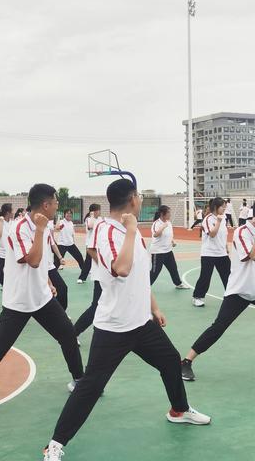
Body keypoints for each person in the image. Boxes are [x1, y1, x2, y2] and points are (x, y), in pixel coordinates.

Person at [41, 179, 211, 461]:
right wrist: (132, 231)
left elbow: (140, 277)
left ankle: (178, 410)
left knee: (170, 360)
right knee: (91, 386)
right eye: (140, 195)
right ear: (132, 199)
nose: (142, 199)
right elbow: (121, 268)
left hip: (141, 323)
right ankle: (55, 445)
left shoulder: (129, 233)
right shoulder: (109, 230)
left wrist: (154, 307)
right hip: (114, 326)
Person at [0, 184, 84, 415]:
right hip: (18, 302)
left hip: (41, 298)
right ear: (45, 205)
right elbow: (32, 260)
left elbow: (41, 265)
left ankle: (79, 380)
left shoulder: (40, 225)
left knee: (68, 336)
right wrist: (42, 231)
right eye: (55, 202)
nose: (57, 206)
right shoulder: (19, 228)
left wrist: (48, 282)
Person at [181, 213, 255, 381]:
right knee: (219, 327)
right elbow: (251, 255)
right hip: (240, 290)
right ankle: (186, 361)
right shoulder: (242, 231)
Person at [192, 197, 231, 307]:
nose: (224, 208)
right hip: (208, 253)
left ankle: (231, 296)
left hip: (221, 253)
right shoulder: (208, 219)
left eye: (225, 206)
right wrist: (218, 221)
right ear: (216, 207)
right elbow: (212, 234)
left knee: (228, 275)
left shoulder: (223, 218)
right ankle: (197, 297)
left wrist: (226, 246)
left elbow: (224, 234)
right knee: (205, 276)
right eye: (223, 206)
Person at [73, 207, 105, 338]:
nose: (99, 212)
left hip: (114, 276)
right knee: (96, 306)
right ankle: (73, 334)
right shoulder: (97, 223)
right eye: (96, 210)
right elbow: (91, 227)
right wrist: (106, 267)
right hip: (103, 274)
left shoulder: (103, 221)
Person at [149, 205, 189, 289]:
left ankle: (178, 284)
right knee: (155, 271)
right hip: (158, 252)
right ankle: (145, 286)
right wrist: (163, 227)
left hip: (168, 251)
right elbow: (156, 234)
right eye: (168, 212)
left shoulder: (169, 223)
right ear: (162, 214)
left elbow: (169, 235)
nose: (170, 214)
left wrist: (172, 241)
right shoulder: (156, 223)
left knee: (173, 268)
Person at [54, 209, 85, 281]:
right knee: (57, 261)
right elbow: (57, 228)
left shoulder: (71, 223)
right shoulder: (62, 222)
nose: (69, 215)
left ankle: (84, 271)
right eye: (67, 213)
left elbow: (72, 234)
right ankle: (52, 275)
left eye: (70, 213)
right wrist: (59, 218)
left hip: (71, 244)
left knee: (79, 257)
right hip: (62, 245)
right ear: (64, 214)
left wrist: (74, 242)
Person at [47, 220, 68, 310]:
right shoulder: (32, 230)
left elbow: (53, 244)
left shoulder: (47, 229)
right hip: (38, 268)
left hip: (49, 266)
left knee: (62, 289)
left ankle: (61, 312)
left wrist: (60, 258)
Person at [78, 205, 100, 283]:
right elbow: (90, 226)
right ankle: (81, 278)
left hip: (98, 244)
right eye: (98, 210)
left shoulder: (99, 219)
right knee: (88, 261)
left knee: (98, 260)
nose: (99, 212)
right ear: (93, 211)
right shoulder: (88, 219)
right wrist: (92, 215)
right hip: (90, 244)